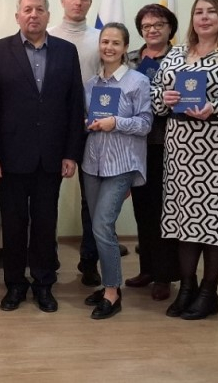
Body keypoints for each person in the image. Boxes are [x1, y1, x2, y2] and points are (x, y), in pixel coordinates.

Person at [0, 0, 84, 313]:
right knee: (13, 224)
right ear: (17, 16)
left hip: (51, 157)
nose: (33, 14)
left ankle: (43, 284)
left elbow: (74, 105)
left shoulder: (66, 52)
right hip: (10, 158)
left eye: (39, 9)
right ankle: (14, 285)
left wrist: (71, 153)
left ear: (49, 15)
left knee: (45, 224)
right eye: (27, 9)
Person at [152, 0, 218, 320]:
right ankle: (187, 288)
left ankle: (208, 292)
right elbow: (155, 97)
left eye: (211, 11)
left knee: (213, 225)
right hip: (179, 151)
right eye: (198, 12)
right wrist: (164, 97)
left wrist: (214, 107)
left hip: (213, 151)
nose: (204, 17)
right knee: (184, 223)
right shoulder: (177, 53)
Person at [82, 23, 152, 319]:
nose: (109, 47)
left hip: (122, 164)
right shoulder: (90, 83)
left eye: (115, 43)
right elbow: (87, 118)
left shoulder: (138, 81)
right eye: (105, 41)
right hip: (92, 163)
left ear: (125, 48)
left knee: (102, 226)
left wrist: (116, 122)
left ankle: (112, 291)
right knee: (98, 227)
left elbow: (145, 124)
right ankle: (109, 283)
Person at [48, 0, 102, 286]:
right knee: (47, 196)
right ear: (62, 0)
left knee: (91, 201)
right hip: (57, 129)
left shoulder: (100, 39)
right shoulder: (48, 36)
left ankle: (89, 261)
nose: (78, 2)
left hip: (95, 129)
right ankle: (48, 257)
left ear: (90, 3)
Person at [125, 4, 180, 301]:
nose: (152, 30)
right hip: (135, 144)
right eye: (146, 26)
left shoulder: (181, 57)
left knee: (163, 211)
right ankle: (147, 268)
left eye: (159, 24)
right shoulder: (131, 58)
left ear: (170, 27)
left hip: (168, 144)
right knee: (142, 209)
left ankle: (164, 275)